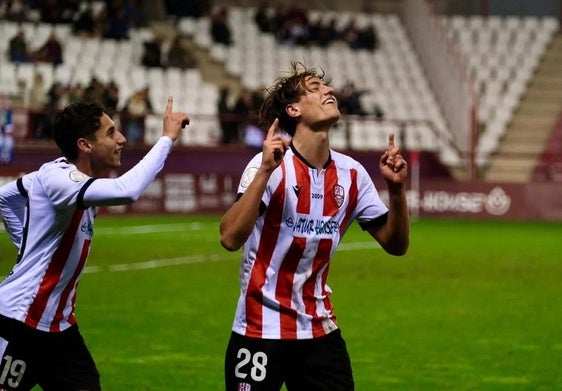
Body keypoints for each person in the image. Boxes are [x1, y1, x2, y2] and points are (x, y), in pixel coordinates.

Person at [219, 62, 410, 391]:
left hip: (319, 332)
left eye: (328, 87)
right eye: (315, 87)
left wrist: (395, 190)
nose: (329, 91)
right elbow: (229, 237)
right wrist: (264, 171)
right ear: (294, 109)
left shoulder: (352, 175)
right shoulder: (270, 164)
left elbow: (396, 245)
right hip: (260, 329)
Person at [0, 97, 189, 390]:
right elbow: (127, 191)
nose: (122, 139)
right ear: (85, 145)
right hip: (21, 320)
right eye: (111, 132)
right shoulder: (58, 178)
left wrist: (28, 247)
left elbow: (5, 197)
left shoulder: (66, 179)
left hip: (59, 328)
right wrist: (166, 139)